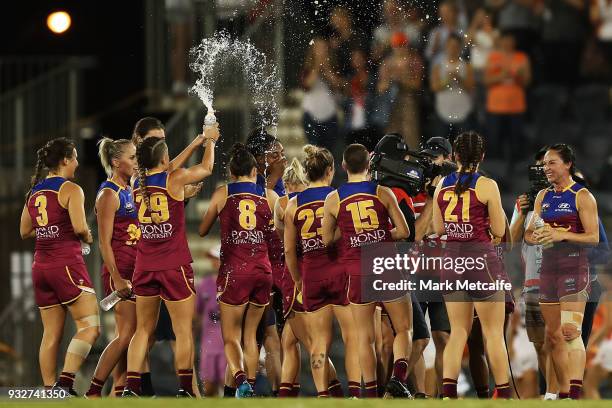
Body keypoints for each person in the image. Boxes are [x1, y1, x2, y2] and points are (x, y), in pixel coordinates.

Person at [123, 125, 219, 397]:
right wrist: (209, 142)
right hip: (173, 265)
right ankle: (186, 388)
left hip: (144, 266)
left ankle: (131, 388)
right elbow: (207, 168)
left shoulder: (135, 183)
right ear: (164, 160)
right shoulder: (173, 180)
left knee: (142, 330)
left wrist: (195, 141)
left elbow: (165, 166)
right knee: (182, 330)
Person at [322, 144, 412, 398]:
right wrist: (381, 234)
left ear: (343, 167)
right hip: (386, 264)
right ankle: (398, 378)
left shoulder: (334, 198)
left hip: (357, 268)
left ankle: (370, 395)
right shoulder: (383, 193)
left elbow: (326, 238)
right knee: (404, 328)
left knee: (364, 338)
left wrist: (352, 232)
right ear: (369, 165)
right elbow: (404, 232)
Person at [432, 131, 512, 399]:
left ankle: (448, 394)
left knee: (458, 332)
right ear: (482, 157)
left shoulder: (442, 184)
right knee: (493, 333)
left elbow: (439, 228)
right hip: (480, 259)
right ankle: (503, 394)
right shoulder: (487, 185)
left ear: (454, 155)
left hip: (452, 259)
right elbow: (500, 229)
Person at [198, 143, 278, 398]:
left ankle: (241, 381)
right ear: (255, 171)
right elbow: (277, 234)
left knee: (230, 336)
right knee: (251, 336)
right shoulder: (270, 196)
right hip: (263, 271)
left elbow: (202, 230)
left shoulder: (223, 194)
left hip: (235, 271)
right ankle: (250, 389)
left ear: (231, 172)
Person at [20, 138, 99, 395]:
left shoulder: (36, 191)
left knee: (50, 333)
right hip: (66, 264)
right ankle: (65, 382)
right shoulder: (71, 190)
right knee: (90, 327)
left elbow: (25, 230)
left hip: (40, 267)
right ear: (65, 160)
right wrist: (88, 236)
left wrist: (49, 232)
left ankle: (48, 390)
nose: (77, 162)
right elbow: (78, 228)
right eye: (74, 157)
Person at [283, 145, 360, 397]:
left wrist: (297, 279)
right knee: (352, 338)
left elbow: (289, 251)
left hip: (311, 275)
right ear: (330, 171)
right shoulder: (337, 197)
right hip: (339, 271)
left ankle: (322, 395)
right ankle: (357, 394)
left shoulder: (293, 204)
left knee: (318, 342)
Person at [526, 144, 600, 400]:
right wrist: (539, 235)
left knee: (570, 332)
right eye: (545, 164)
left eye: (552, 163)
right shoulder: (542, 197)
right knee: (552, 336)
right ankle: (564, 393)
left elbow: (592, 237)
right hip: (548, 269)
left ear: (567, 164)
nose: (546, 168)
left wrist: (560, 234)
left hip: (574, 267)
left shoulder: (582, 195)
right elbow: (529, 232)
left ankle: (575, 395)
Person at [86, 138, 139, 397]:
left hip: (135, 271)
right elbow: (104, 243)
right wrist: (117, 278)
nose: (136, 162)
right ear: (117, 163)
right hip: (120, 273)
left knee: (131, 335)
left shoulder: (129, 189)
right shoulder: (109, 193)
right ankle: (94, 389)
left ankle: (118, 390)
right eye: (132, 157)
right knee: (127, 333)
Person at [273, 159, 309, 397]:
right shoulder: (323, 199)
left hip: (296, 273)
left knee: (310, 342)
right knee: (289, 339)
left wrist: (296, 279)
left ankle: (335, 392)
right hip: (319, 268)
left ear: (286, 183)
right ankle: (287, 397)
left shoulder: (283, 203)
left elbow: (284, 243)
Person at [484, 31, 531, 166]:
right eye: (505, 40)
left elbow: (527, 82)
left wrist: (518, 76)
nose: (508, 43)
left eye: (511, 40)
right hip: (495, 106)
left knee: (515, 142)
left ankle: (514, 169)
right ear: (501, 41)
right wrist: (503, 75)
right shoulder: (493, 57)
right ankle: (496, 171)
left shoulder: (522, 57)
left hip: (516, 106)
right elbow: (486, 80)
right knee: (494, 142)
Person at [376, 33, 423, 149]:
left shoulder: (414, 60)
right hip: (391, 103)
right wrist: (389, 80)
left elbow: (417, 84)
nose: (400, 48)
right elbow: (380, 88)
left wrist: (401, 79)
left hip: (408, 100)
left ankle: (412, 161)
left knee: (410, 134)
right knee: (391, 135)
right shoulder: (387, 63)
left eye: (402, 45)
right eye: (397, 45)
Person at [431, 34, 475, 141]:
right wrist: (447, 80)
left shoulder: (466, 66)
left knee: (463, 147)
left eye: (455, 46)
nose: (452, 49)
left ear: (460, 48)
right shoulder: (438, 66)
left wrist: (459, 78)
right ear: (446, 46)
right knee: (442, 148)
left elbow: (470, 87)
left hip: (463, 111)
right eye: (450, 46)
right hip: (443, 111)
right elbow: (434, 87)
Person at [196, 246, 225, 397]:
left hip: (228, 345)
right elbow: (198, 313)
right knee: (209, 389)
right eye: (213, 259)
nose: (214, 262)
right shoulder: (205, 284)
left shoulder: (232, 283)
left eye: (216, 258)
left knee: (228, 388)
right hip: (208, 345)